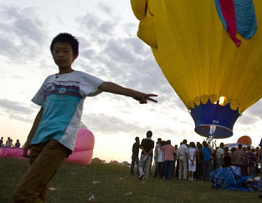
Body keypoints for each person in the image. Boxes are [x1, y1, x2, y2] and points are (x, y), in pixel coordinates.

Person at [13, 33, 157, 202]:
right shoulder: (49, 81)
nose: (60, 55)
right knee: (37, 190)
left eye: (65, 51)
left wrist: (133, 93)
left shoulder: (80, 78)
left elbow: (104, 85)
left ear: (75, 55)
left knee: (22, 195)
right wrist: (30, 138)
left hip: (59, 139)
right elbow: (42, 110)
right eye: (56, 51)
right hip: (40, 140)